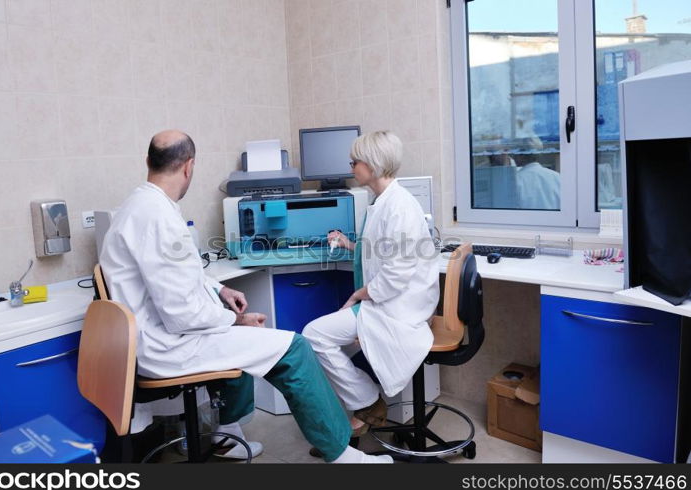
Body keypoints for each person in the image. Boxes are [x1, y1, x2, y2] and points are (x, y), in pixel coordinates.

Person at [100, 130, 392, 464]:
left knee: (241, 341)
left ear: (148, 162)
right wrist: (236, 319)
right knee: (294, 350)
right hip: (169, 347)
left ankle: (229, 437)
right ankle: (343, 455)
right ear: (188, 167)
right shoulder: (159, 217)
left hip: (149, 339)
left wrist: (220, 289)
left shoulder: (137, 205)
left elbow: (181, 274)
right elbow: (183, 313)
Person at [302, 131, 441, 438]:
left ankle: (367, 404)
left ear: (374, 164)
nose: (351, 166)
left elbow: (396, 272)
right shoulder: (382, 202)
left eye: (356, 161)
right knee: (328, 341)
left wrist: (358, 295)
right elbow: (380, 252)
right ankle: (360, 410)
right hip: (386, 300)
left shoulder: (399, 206)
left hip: (398, 308)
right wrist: (349, 245)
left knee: (313, 335)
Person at [515, 136, 560, 210]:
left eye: (515, 152)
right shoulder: (557, 177)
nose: (513, 156)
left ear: (521, 155)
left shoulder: (516, 180)